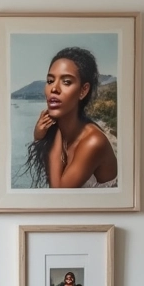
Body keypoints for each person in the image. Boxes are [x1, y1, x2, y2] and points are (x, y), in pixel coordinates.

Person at [24, 46, 117, 188]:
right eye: (50, 81)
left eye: (66, 82)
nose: (54, 89)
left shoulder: (93, 142)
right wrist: (38, 136)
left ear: (83, 90)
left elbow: (59, 197)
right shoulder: (61, 130)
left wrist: (54, 134)